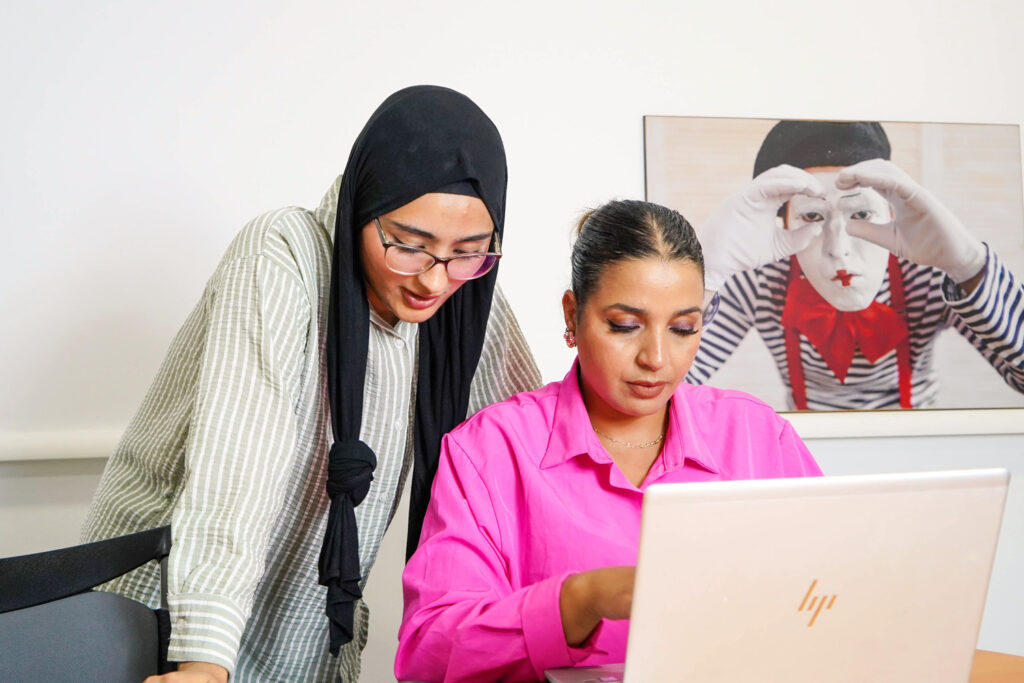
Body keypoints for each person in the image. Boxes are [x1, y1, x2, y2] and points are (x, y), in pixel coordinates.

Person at [80, 85, 541, 682]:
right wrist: (204, 661)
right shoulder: (283, 256)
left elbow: (528, 445)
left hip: (303, 636)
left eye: (469, 252)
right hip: (164, 613)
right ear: (364, 205)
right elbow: (235, 468)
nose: (434, 280)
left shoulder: (468, 298)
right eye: (408, 244)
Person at [396, 200, 821, 682]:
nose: (657, 358)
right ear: (573, 316)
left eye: (684, 327)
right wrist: (580, 601)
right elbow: (428, 653)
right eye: (624, 325)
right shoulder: (490, 451)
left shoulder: (757, 436)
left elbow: (840, 593)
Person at [688, 120, 1024, 409]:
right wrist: (706, 274)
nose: (839, 250)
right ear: (784, 222)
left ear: (890, 212)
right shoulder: (760, 279)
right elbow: (661, 386)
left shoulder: (929, 272)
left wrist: (969, 265)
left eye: (861, 213)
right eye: (812, 215)